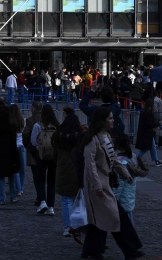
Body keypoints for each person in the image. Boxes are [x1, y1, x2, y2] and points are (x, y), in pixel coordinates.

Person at [80, 107, 144, 260]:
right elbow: (90, 165)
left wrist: (125, 173)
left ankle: (91, 251)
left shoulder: (106, 136)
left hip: (104, 182)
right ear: (102, 121)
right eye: (110, 118)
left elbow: (113, 158)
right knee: (114, 216)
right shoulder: (93, 139)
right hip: (97, 184)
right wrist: (96, 185)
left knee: (103, 218)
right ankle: (129, 250)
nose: (113, 120)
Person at [54, 108, 82, 236]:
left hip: (62, 169)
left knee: (65, 200)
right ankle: (77, 226)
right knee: (77, 200)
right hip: (76, 170)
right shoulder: (79, 138)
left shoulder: (59, 136)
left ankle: (67, 226)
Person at [31, 104, 58, 215]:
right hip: (53, 155)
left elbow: (33, 141)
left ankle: (42, 201)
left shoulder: (38, 125)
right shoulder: (57, 125)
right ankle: (51, 205)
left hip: (41, 154)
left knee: (40, 178)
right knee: (52, 181)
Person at [134, 93, 162, 167]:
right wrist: (158, 123)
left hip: (144, 132)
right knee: (147, 148)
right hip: (147, 133)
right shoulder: (148, 113)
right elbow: (149, 124)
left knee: (151, 147)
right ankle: (138, 158)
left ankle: (156, 160)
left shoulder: (144, 112)